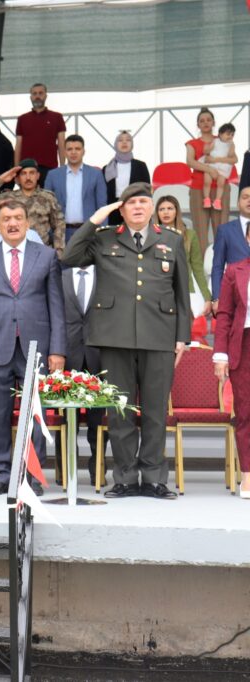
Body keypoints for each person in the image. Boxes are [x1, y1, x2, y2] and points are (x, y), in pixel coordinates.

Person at [61, 183, 191, 499]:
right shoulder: (104, 238)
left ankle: (155, 479)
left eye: (144, 202)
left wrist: (182, 337)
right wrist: (95, 219)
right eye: (131, 203)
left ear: (152, 208)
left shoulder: (171, 240)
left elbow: (181, 292)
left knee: (155, 411)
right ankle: (125, 478)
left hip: (159, 334)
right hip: (114, 335)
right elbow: (69, 256)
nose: (138, 207)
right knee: (120, 411)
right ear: (121, 209)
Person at [0, 200, 66, 495]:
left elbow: (56, 307)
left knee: (36, 414)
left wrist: (57, 350)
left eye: (18, 218)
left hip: (36, 348)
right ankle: (1, 473)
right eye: (6, 219)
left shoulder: (46, 256)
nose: (12, 223)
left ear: (27, 223)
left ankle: (33, 474)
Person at [61, 260, 104, 485]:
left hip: (100, 356)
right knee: (68, 421)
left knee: (98, 421)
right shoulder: (62, 277)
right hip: (69, 356)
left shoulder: (107, 274)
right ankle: (67, 473)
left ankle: (98, 471)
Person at [212, 255, 250, 498]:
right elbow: (224, 314)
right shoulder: (234, 271)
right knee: (246, 411)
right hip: (244, 345)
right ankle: (248, 472)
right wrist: (220, 355)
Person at [0, 158, 66, 256]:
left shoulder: (48, 197)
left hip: (41, 252)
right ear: (18, 178)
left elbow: (59, 225)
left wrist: (58, 252)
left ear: (38, 175)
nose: (28, 177)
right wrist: (1, 180)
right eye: (23, 173)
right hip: (13, 252)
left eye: (32, 173)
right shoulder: (8, 197)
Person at [156, 196, 212, 323]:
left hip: (185, 288)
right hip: (159, 289)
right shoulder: (151, 235)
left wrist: (207, 297)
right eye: (161, 209)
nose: (165, 212)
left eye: (170, 208)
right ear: (157, 213)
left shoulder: (190, 235)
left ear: (177, 211)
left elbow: (197, 268)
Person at [44, 135, 108, 242]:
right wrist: (49, 232)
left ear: (84, 151)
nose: (73, 152)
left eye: (77, 149)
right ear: (64, 152)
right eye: (69, 149)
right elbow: (46, 206)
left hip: (88, 231)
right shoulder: (53, 175)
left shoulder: (96, 174)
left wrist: (102, 232)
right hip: (61, 233)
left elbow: (102, 206)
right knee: (63, 259)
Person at [186, 108, 231, 249]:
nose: (205, 123)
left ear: (214, 123)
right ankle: (201, 269)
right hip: (199, 189)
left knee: (221, 229)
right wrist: (210, 169)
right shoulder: (192, 143)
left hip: (220, 188)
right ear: (198, 125)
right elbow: (190, 162)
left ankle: (221, 266)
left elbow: (231, 158)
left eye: (208, 120)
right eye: (202, 121)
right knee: (200, 231)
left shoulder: (224, 141)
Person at [14, 83, 66, 184]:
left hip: (50, 169)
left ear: (46, 96)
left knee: (49, 198)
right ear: (31, 97)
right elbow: (18, 146)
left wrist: (63, 168)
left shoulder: (57, 117)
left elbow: (61, 144)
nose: (37, 96)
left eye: (40, 93)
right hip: (26, 169)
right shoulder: (22, 119)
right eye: (34, 94)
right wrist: (16, 171)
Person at [211, 187, 250, 307]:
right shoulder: (225, 230)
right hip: (235, 297)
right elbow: (218, 266)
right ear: (238, 204)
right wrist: (216, 298)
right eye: (245, 197)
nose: (249, 200)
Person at [102, 131, 150, 225]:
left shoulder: (141, 166)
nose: (124, 143)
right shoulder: (107, 168)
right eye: (120, 140)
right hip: (113, 209)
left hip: (135, 207)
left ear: (132, 144)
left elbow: (147, 189)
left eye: (128, 140)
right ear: (115, 144)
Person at [201, 123, 237, 212]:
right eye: (228, 134)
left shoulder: (231, 144)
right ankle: (206, 199)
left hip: (223, 165)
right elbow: (207, 151)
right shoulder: (215, 141)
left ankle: (217, 200)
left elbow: (231, 156)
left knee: (221, 184)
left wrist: (232, 146)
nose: (230, 136)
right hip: (211, 164)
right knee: (207, 181)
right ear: (220, 134)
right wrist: (207, 149)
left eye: (232, 135)